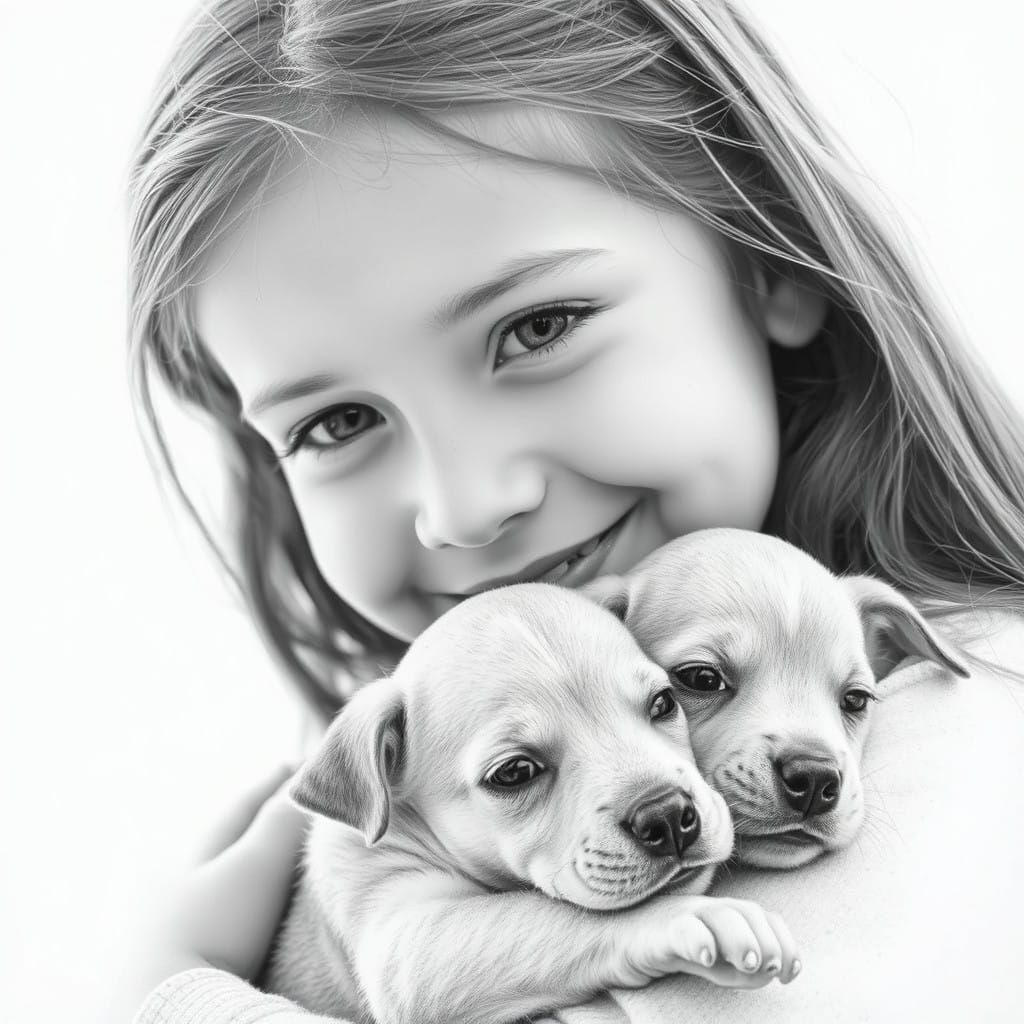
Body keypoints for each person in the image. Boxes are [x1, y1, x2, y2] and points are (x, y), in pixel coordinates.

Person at [120, 1, 1024, 1021]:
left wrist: (165, 977)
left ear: (767, 254)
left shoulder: (959, 725)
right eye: (334, 423)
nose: (462, 506)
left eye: (538, 325)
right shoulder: (418, 757)